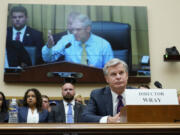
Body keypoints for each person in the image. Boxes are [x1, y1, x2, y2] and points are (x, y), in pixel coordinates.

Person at [42, 13, 114, 68]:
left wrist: (96, 71)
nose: (74, 32)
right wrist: (49, 47)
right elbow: (48, 58)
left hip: (95, 82)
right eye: (73, 29)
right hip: (71, 81)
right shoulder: (67, 40)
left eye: (78, 29)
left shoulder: (103, 44)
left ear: (88, 29)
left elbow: (111, 70)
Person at [81, 58, 128, 123]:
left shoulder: (137, 93)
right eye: (113, 74)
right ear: (106, 79)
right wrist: (108, 120)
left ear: (127, 75)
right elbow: (85, 117)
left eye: (121, 73)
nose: (118, 77)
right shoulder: (97, 95)